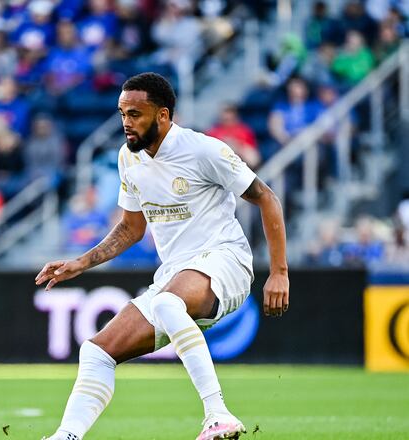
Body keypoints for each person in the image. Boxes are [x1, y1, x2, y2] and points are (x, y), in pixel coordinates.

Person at [37, 73, 289, 440]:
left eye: (135, 114)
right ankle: (66, 436)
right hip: (176, 274)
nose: (126, 122)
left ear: (163, 116)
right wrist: (81, 262)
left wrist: (279, 271)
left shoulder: (204, 150)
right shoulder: (128, 158)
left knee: (169, 303)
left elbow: (267, 197)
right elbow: (130, 229)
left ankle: (219, 415)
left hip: (225, 260)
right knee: (96, 352)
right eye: (122, 113)